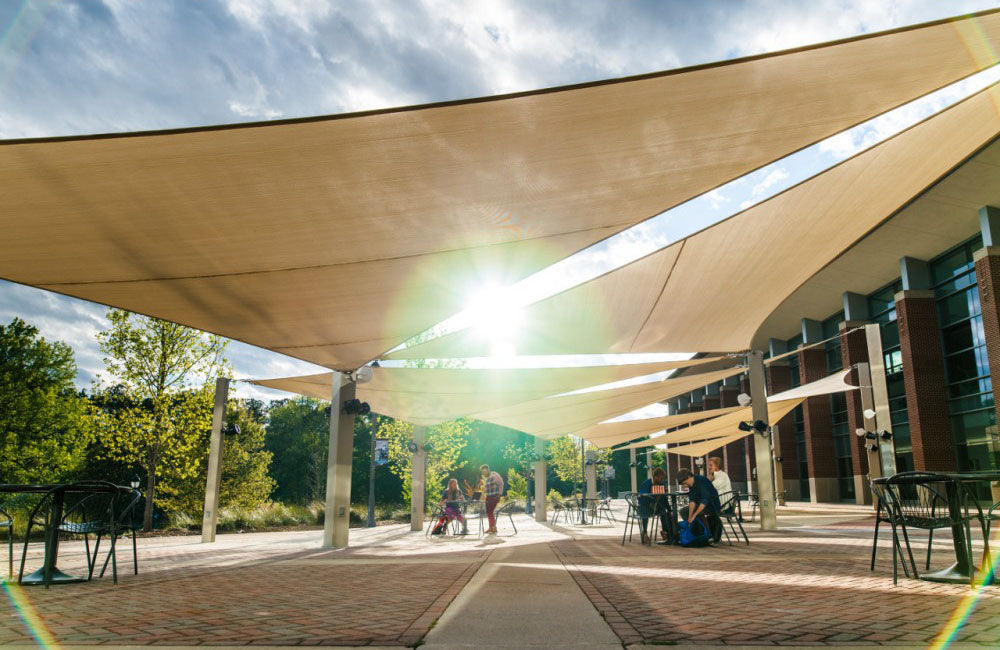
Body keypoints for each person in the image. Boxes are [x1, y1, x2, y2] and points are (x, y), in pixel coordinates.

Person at [677, 468, 723, 544]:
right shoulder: (691, 485)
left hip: (712, 505)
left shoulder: (702, 481)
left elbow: (704, 501)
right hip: (701, 505)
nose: (685, 486)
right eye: (683, 484)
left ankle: (708, 535)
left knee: (698, 513)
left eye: (685, 483)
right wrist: (689, 517)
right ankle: (698, 532)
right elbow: (692, 501)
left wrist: (694, 515)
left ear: (689, 476)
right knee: (683, 511)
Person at [637, 467, 672, 543]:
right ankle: (645, 533)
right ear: (655, 476)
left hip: (655, 507)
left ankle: (665, 531)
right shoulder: (646, 483)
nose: (662, 480)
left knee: (665, 512)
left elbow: (664, 499)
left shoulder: (661, 484)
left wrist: (669, 509)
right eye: (661, 478)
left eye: (663, 478)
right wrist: (654, 496)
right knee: (645, 511)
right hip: (645, 506)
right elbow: (642, 498)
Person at [480, 464, 504, 534]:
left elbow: (501, 484)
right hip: (488, 497)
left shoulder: (495, 476)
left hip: (494, 496)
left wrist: (499, 495)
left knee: (490, 512)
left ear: (488, 470)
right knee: (488, 512)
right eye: (482, 472)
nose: (484, 473)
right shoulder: (487, 478)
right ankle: (491, 527)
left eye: (484, 472)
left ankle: (493, 527)